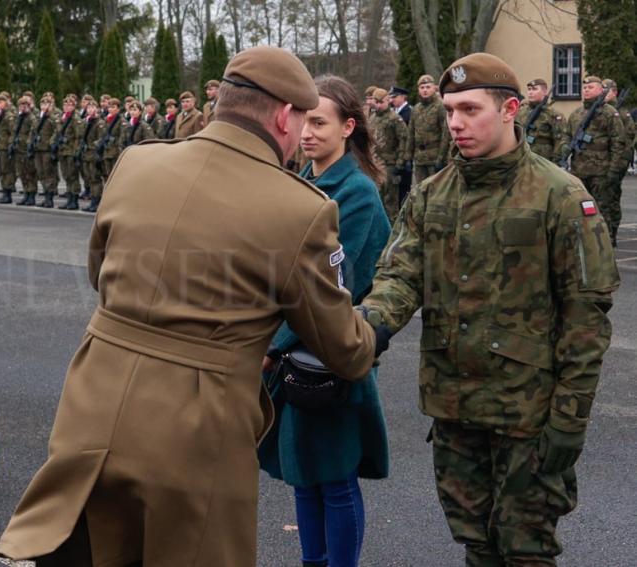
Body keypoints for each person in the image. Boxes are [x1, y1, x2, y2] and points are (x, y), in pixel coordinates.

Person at [0, 45, 378, 566]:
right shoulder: (301, 208)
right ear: (285, 116)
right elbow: (344, 348)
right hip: (196, 432)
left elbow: (99, 273)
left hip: (92, 408)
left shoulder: (138, 162)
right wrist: (383, 314)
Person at [361, 52, 620, 566]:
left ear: (510, 110)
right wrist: (362, 330)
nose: (456, 122)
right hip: (456, 411)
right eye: (451, 109)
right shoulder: (431, 196)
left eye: (470, 109)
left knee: (526, 551)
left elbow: (586, 322)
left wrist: (569, 421)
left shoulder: (561, 196)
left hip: (528, 417)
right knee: (477, 546)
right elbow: (398, 278)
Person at [258, 74, 391, 567]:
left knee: (334, 476)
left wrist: (270, 346)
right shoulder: (307, 182)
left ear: (347, 126)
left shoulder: (355, 194)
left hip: (328, 355)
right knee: (303, 471)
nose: (306, 130)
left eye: (319, 121)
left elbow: (333, 291)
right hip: (294, 352)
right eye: (301, 119)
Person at [560, 76, 627, 247]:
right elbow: (567, 135)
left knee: (603, 209)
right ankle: (583, 239)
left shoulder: (610, 113)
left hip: (601, 172)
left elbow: (618, 143)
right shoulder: (576, 114)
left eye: (590, 87)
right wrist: (565, 147)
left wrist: (613, 171)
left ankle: (606, 241)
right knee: (579, 208)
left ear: (600, 90)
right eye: (584, 87)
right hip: (579, 171)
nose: (586, 90)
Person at [603, 78, 634, 244]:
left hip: (616, 163)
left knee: (612, 199)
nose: (603, 94)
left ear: (614, 92)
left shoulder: (621, 113)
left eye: (606, 91)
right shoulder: (600, 111)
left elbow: (628, 141)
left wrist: (620, 165)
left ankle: (612, 232)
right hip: (600, 164)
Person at [404, 74, 450, 183]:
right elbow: (411, 134)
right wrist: (408, 157)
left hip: (435, 157)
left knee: (436, 190)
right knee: (420, 191)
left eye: (428, 87)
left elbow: (445, 133)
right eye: (422, 88)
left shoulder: (440, 107)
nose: (425, 90)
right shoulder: (416, 109)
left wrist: (441, 158)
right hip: (419, 159)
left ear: (434, 88)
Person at [371, 87, 408, 223]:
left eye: (382, 102)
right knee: (376, 198)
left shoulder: (394, 118)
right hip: (375, 163)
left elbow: (404, 140)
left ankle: (393, 230)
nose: (379, 105)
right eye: (377, 102)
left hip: (390, 165)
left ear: (387, 101)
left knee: (390, 201)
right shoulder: (373, 118)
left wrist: (400, 162)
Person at [514, 79, 564, 163]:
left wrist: (555, 163)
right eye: (529, 89)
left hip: (543, 161)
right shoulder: (520, 112)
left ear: (544, 92)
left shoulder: (553, 115)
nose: (530, 92)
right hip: (521, 160)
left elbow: (560, 141)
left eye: (534, 89)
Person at [53, 95, 85, 210]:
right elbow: (57, 133)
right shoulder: (63, 118)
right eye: (65, 105)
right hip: (63, 151)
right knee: (66, 175)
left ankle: (74, 199)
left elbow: (79, 136)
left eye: (70, 105)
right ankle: (69, 198)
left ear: (74, 106)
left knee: (72, 176)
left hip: (71, 151)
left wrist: (76, 150)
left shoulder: (75, 119)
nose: (67, 107)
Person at [30, 94, 61, 208]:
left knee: (49, 173)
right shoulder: (39, 117)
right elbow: (33, 131)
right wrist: (31, 143)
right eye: (42, 104)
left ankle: (50, 197)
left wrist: (51, 142)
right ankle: (45, 194)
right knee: (41, 172)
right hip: (38, 148)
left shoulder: (53, 117)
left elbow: (57, 131)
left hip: (47, 149)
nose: (44, 106)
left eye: (47, 104)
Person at [79, 100, 105, 213]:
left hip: (94, 153)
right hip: (86, 154)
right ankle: (92, 200)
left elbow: (101, 138)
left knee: (95, 179)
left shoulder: (99, 123)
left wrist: (92, 146)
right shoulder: (86, 121)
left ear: (97, 109)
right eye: (88, 108)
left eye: (93, 107)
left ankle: (96, 201)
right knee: (89, 178)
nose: (90, 110)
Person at [0, 92, 18, 204]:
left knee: (6, 170)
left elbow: (13, 131)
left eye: (1, 102)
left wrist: (10, 144)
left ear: (6, 103)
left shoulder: (9, 116)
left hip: (5, 145)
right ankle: (4, 190)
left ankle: (7, 192)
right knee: (1, 170)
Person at [13, 96, 38, 206]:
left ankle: (31, 194)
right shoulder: (19, 118)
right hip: (19, 148)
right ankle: (26, 193)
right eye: (21, 105)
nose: (23, 107)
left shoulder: (31, 118)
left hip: (26, 149)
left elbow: (32, 133)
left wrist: (28, 144)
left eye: (25, 105)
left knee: (30, 173)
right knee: (21, 172)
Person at [97, 98, 126, 182]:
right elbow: (103, 134)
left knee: (117, 175)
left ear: (118, 108)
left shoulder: (121, 121)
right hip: (107, 151)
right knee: (108, 175)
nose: (110, 109)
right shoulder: (106, 120)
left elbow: (122, 137)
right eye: (109, 107)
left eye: (113, 107)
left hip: (116, 151)